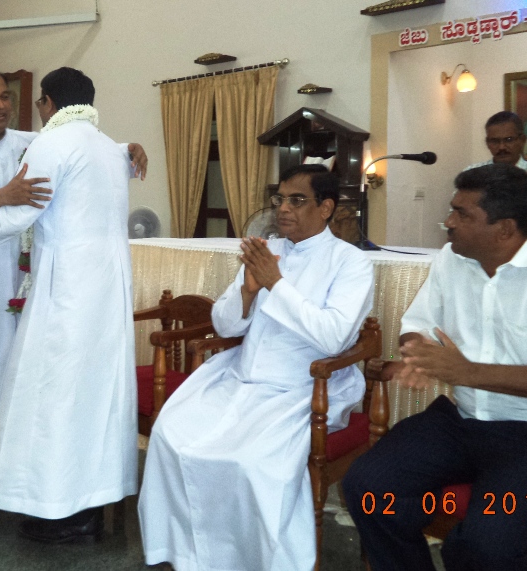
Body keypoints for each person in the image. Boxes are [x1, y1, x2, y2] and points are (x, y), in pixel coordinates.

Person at [0, 66, 147, 526]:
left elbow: (76, 148)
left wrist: (127, 149)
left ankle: (5, 481)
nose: (1, 106)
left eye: (5, 96)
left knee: (14, 388)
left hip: (21, 284)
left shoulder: (26, 141)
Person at [138, 164, 374, 570]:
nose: (283, 209)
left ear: (326, 208)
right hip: (241, 375)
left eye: (297, 200)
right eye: (280, 199)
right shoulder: (267, 250)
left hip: (303, 386)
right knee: (170, 435)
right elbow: (225, 326)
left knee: (251, 462)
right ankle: (185, 554)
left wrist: (275, 283)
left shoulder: (350, 262)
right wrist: (247, 293)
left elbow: (334, 338)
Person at [342, 163, 527, 571]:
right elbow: (417, 326)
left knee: (486, 546)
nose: (448, 222)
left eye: (462, 214)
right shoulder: (452, 258)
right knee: (367, 488)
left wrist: (465, 371)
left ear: (505, 229)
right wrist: (420, 354)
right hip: (459, 420)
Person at [466, 111, 527, 239]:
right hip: (483, 246)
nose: (502, 147)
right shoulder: (473, 175)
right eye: (495, 141)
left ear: (522, 140)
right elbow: (457, 216)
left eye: (508, 140)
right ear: (487, 143)